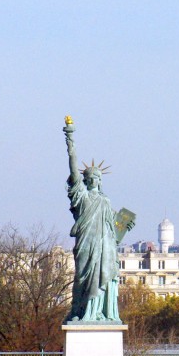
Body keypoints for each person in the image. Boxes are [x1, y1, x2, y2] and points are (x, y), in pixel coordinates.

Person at [64, 117, 135, 322]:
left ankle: (100, 313)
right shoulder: (82, 196)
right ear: (85, 180)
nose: (94, 179)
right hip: (87, 243)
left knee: (103, 276)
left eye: (96, 177)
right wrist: (70, 141)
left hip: (105, 247)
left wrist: (124, 225)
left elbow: (113, 229)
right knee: (82, 278)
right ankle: (81, 311)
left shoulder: (105, 201)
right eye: (90, 177)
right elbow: (73, 166)